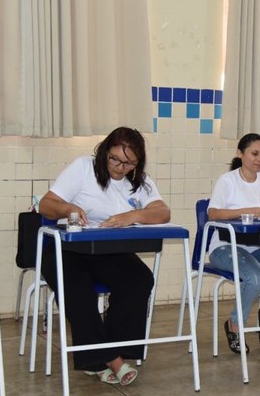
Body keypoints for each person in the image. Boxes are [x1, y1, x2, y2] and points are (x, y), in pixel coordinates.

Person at [38, 127, 170, 386]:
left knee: (140, 279)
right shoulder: (83, 167)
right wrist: (69, 208)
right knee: (78, 291)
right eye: (115, 159)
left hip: (107, 250)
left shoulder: (139, 181)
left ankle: (101, 354)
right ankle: (113, 359)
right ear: (104, 151)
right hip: (65, 250)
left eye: (129, 163)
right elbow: (45, 204)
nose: (121, 167)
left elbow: (162, 212)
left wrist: (132, 216)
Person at [207, 133, 260, 353]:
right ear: (240, 154)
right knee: (256, 277)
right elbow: (213, 213)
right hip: (225, 248)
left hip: (259, 247)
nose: (259, 159)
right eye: (254, 154)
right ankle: (234, 323)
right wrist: (246, 211)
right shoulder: (228, 181)